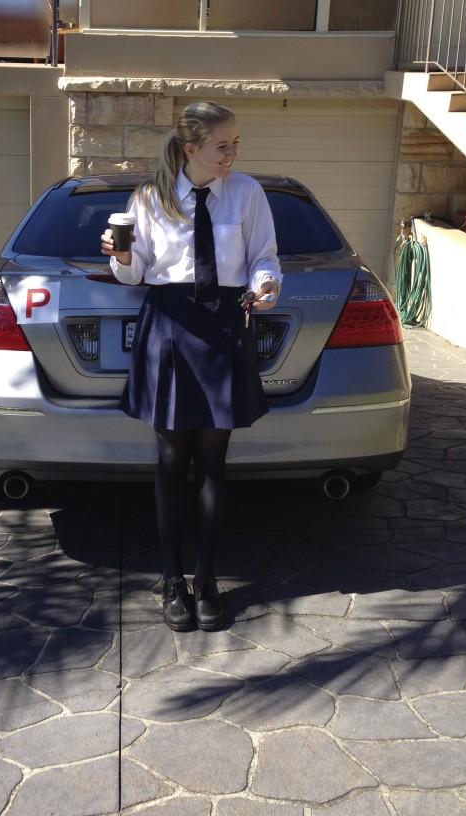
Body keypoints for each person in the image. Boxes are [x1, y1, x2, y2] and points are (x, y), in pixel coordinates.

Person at [101, 101, 281, 632]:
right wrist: (119, 255)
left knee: (212, 462)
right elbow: (133, 274)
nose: (232, 154)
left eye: (235, 143)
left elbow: (264, 257)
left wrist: (266, 286)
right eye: (221, 145)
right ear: (190, 148)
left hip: (224, 327)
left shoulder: (247, 193)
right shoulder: (149, 198)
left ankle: (206, 578)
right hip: (169, 328)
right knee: (169, 460)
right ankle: (171, 578)